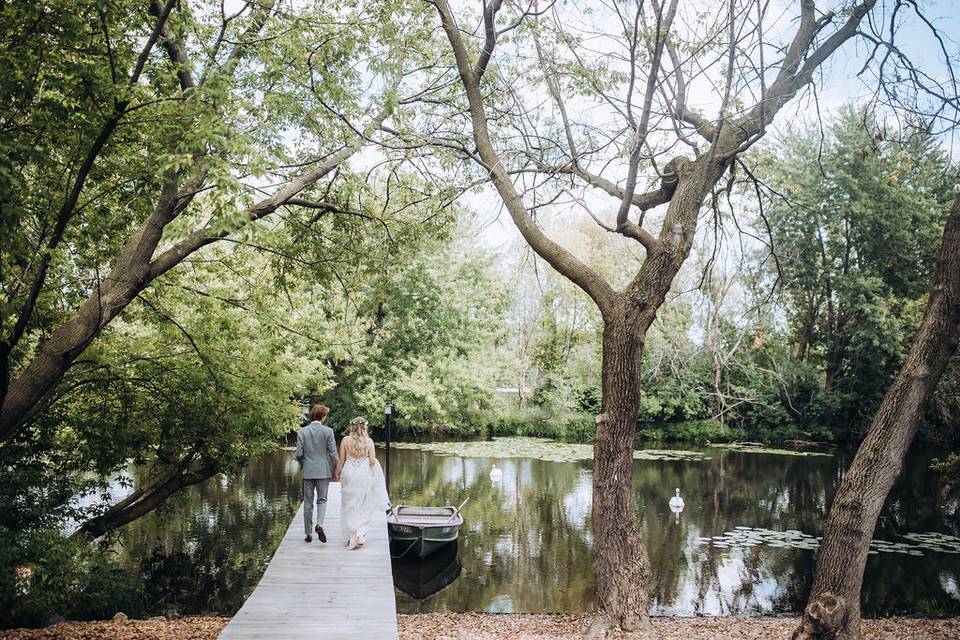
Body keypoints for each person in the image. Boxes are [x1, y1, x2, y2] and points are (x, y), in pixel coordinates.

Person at [334, 416, 389, 550]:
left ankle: (353, 533)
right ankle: (360, 532)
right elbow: (372, 461)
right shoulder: (369, 442)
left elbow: (341, 460)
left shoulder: (345, 440)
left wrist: (337, 472)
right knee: (363, 503)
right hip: (363, 473)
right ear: (365, 427)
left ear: (351, 427)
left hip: (348, 473)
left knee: (349, 504)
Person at [295, 404, 338, 543]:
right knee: (322, 500)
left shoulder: (302, 432)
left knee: (308, 502)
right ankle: (320, 524)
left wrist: (303, 464)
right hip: (323, 471)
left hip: (308, 471)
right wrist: (337, 468)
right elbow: (333, 453)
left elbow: (299, 454)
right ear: (323, 416)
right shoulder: (328, 431)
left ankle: (308, 534)